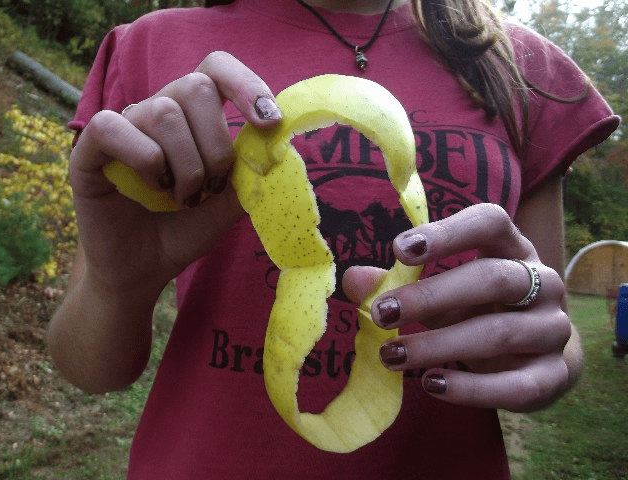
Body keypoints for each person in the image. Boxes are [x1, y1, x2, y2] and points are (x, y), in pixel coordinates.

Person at [47, 0, 620, 478]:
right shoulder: (149, 46)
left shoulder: (525, 67)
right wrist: (119, 283)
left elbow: (553, 324)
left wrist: (543, 352)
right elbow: (90, 369)